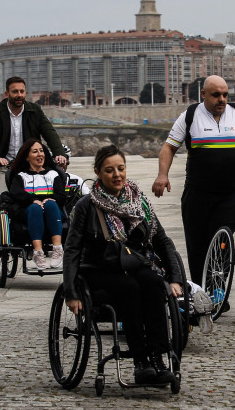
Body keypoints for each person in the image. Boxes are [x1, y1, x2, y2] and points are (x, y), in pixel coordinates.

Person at [64, 145, 184, 385]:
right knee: (130, 288)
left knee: (152, 283)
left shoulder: (139, 202)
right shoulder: (86, 206)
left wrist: (175, 278)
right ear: (98, 172)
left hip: (135, 264)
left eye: (121, 168)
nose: (117, 175)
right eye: (109, 170)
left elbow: (162, 240)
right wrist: (71, 292)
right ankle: (141, 362)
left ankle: (158, 358)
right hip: (99, 270)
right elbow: (73, 249)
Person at [151, 75, 235, 284]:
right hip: (197, 194)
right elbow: (169, 147)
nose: (222, 99)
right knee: (198, 247)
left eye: (225, 95)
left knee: (222, 241)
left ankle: (218, 290)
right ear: (203, 94)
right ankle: (201, 293)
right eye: (216, 95)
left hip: (230, 194)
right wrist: (162, 174)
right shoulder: (190, 115)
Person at [0, 76, 67, 210]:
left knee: (46, 198)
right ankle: (3, 229)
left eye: (22, 91)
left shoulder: (34, 110)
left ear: (25, 93)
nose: (19, 95)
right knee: (3, 201)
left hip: (29, 167)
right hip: (3, 167)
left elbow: (50, 133)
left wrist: (59, 154)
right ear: (7, 94)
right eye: (15, 92)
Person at [8, 139, 66, 269]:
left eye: (41, 151)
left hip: (52, 211)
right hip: (28, 210)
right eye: (35, 152)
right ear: (27, 157)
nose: (40, 154)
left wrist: (49, 198)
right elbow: (16, 193)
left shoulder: (53, 174)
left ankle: (57, 249)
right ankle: (38, 252)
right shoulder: (21, 176)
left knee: (50, 204)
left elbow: (62, 195)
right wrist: (33, 200)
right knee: (35, 208)